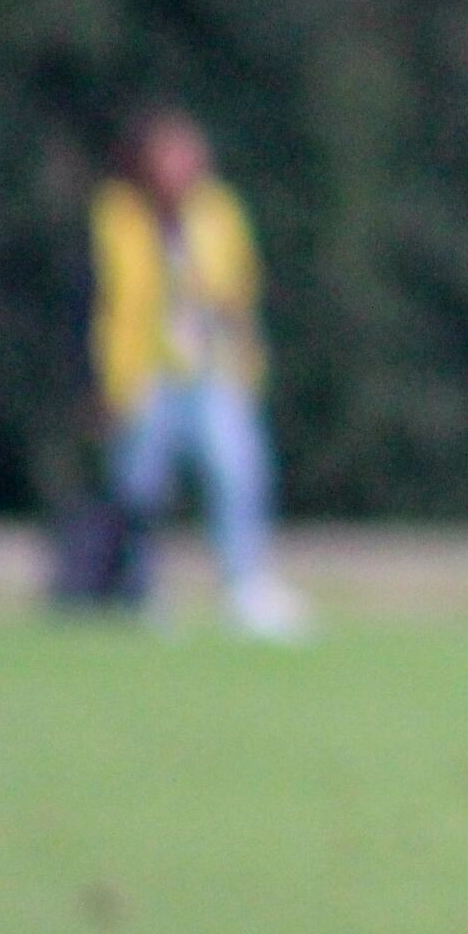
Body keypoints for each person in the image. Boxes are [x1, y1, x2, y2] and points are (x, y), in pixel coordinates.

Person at [92, 107, 306, 639]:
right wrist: (108, 383)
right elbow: (106, 301)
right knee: (138, 487)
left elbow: (238, 290)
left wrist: (246, 356)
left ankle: (245, 585)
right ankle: (134, 588)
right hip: (145, 373)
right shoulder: (119, 214)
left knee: (239, 471)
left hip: (211, 369)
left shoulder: (218, 211)